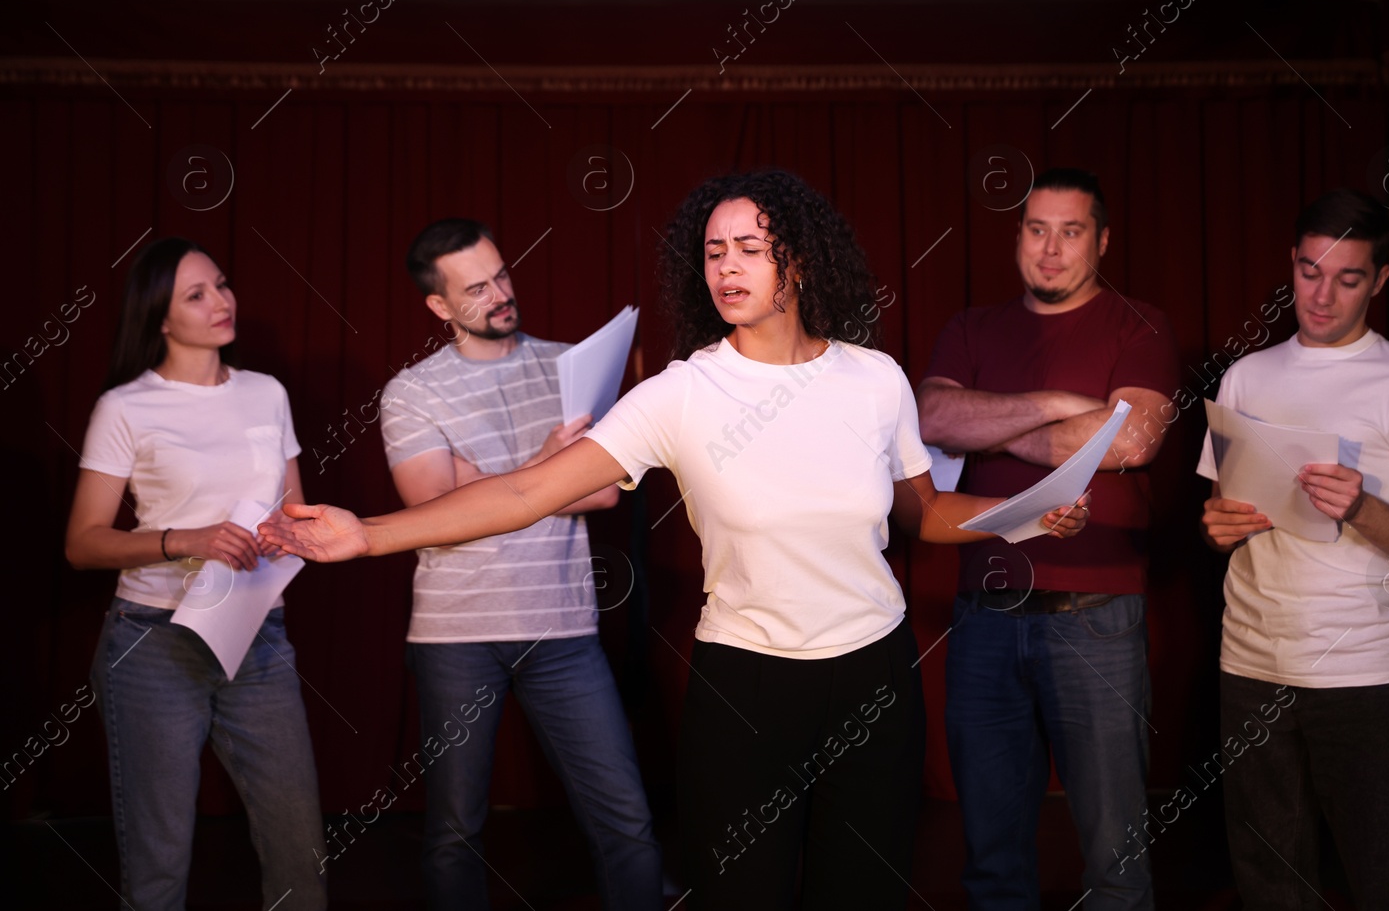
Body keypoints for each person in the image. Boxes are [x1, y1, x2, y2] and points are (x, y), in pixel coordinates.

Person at [262, 169, 1089, 911]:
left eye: (750, 249)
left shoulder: (873, 379)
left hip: (873, 679)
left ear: (795, 261)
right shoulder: (682, 393)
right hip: (746, 687)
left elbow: (924, 515)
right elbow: (524, 490)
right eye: (714, 251)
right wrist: (366, 533)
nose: (726, 267)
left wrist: (1027, 512)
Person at [917, 167, 1180, 909]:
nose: (1052, 250)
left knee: (1115, 858)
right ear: (1018, 238)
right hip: (985, 619)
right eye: (1037, 230)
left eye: (1070, 232)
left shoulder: (1140, 323)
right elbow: (934, 417)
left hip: (1096, 619)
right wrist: (1064, 408)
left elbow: (1131, 441)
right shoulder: (971, 327)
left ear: (1101, 240)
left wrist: (996, 420)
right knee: (993, 863)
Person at [379, 218, 661, 911]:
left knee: (625, 817)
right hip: (455, 637)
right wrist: (542, 464)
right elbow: (434, 509)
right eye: (476, 288)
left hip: (562, 630)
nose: (500, 293)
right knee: (453, 829)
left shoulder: (572, 367)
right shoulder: (412, 392)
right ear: (439, 307)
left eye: (502, 274)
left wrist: (488, 478)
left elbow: (600, 487)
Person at [1197, 189, 1389, 908]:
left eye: (1347, 278)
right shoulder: (1247, 375)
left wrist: (1365, 507)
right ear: (1293, 263)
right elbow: (1218, 516)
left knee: (1388, 879)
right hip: (1249, 662)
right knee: (1270, 880)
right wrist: (1217, 527)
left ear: (1379, 280)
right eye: (1311, 271)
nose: (1322, 294)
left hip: (1364, 674)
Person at [64, 238, 326, 911]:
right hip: (152, 643)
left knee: (300, 852)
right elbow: (84, 542)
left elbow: (294, 509)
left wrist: (285, 532)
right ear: (160, 318)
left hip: (257, 637)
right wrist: (188, 540)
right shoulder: (126, 407)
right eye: (196, 294)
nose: (222, 300)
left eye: (222, 283)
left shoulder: (267, 392)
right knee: (159, 866)